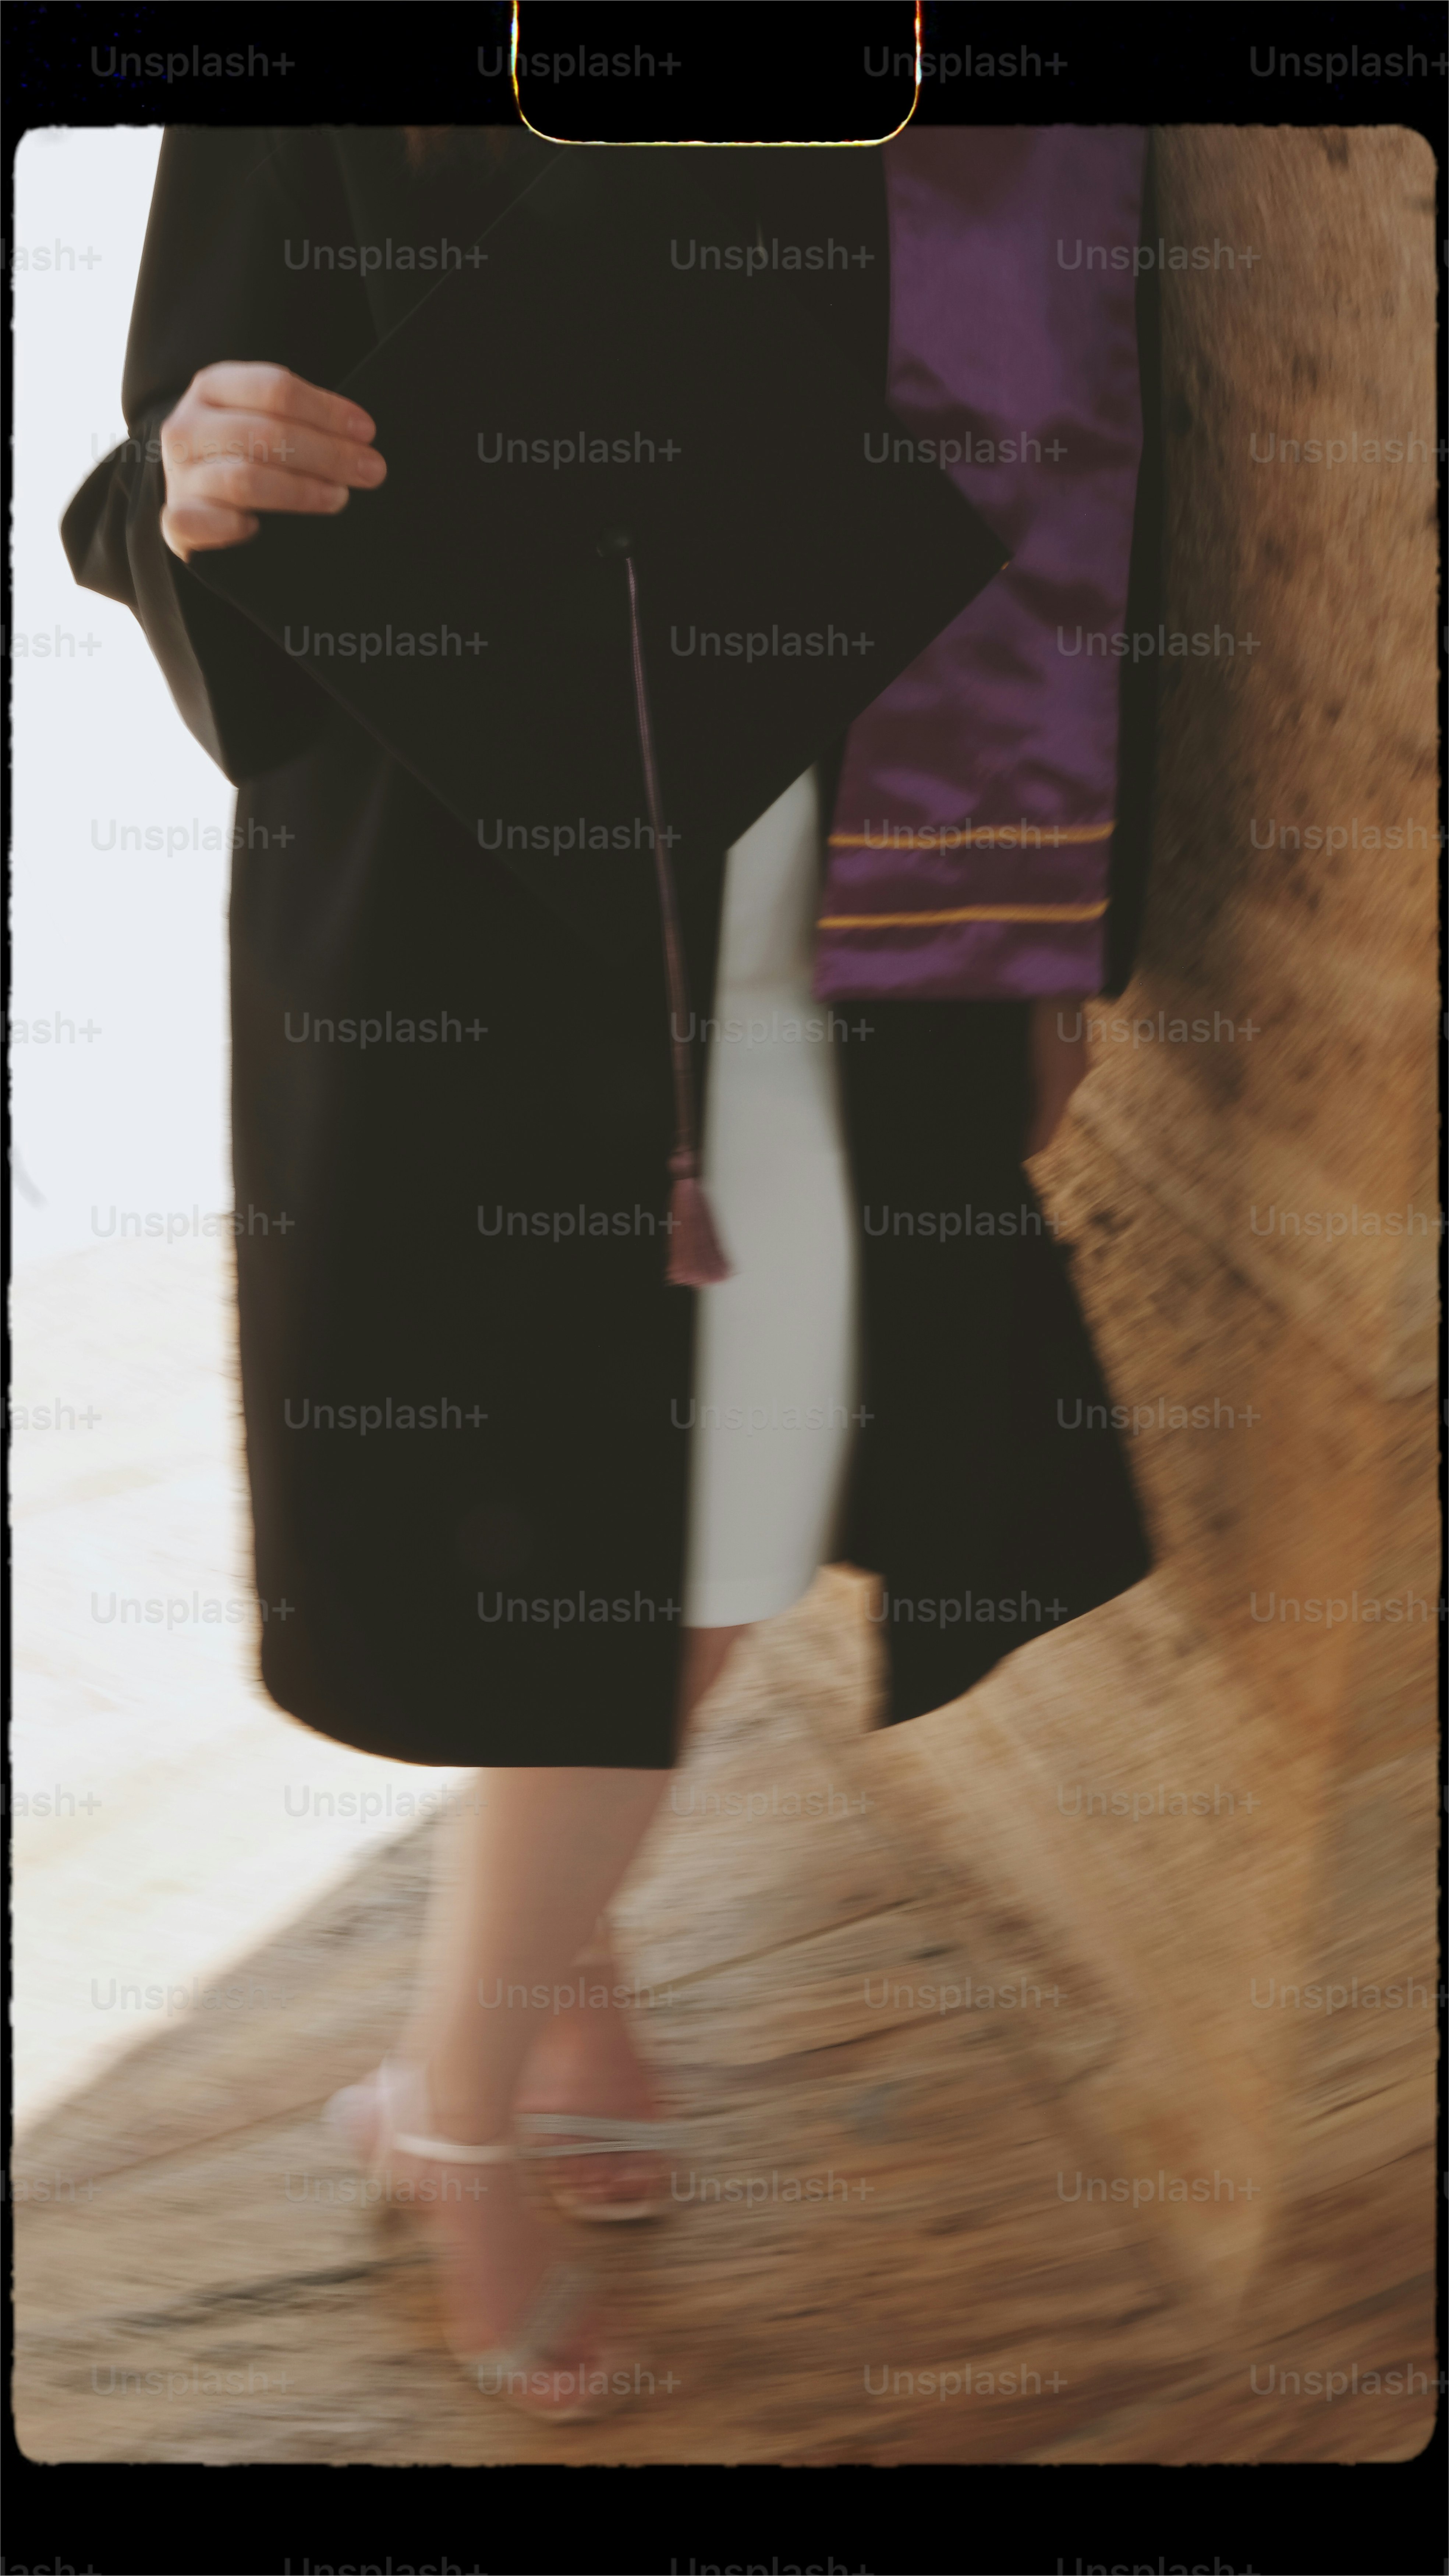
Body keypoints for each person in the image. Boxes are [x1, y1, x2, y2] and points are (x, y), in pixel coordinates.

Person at [62, 122, 1155, 2421]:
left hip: (862, 913)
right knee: (584, 1522)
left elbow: (1064, 430)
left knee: (726, 1514)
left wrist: (1047, 911)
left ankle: (544, 1974)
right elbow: (139, 470)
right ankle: (453, 2108)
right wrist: (192, 480)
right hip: (484, 928)